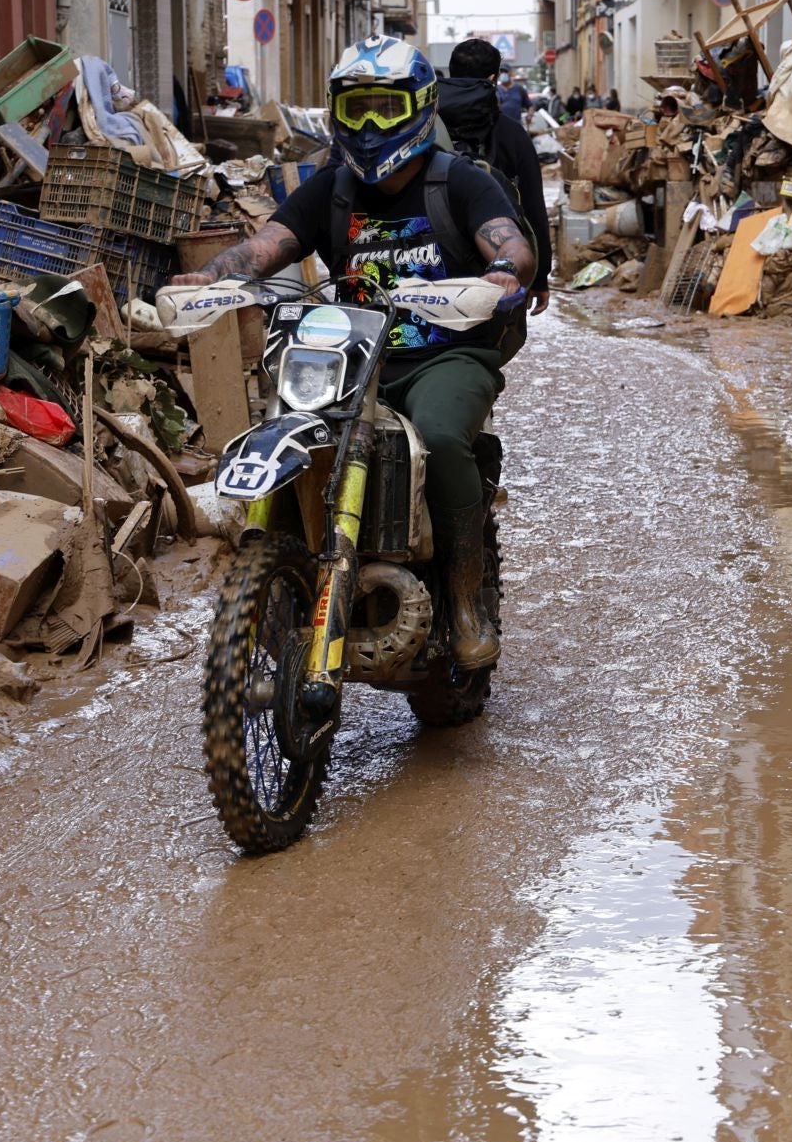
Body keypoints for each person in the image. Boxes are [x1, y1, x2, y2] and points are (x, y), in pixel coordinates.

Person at [169, 36, 537, 669]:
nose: (367, 126)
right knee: (284, 428)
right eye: (355, 108)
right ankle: (281, 571)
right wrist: (215, 275)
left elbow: (508, 242)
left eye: (384, 108)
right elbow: (267, 246)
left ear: (419, 108)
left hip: (444, 356)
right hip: (346, 360)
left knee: (444, 438)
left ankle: (464, 595)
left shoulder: (462, 182)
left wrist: (503, 272)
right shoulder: (331, 189)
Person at [439, 36, 552, 335]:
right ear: (494, 78)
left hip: (432, 263)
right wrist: (539, 276)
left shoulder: (424, 129)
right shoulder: (513, 135)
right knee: (490, 345)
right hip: (500, 268)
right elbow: (534, 208)